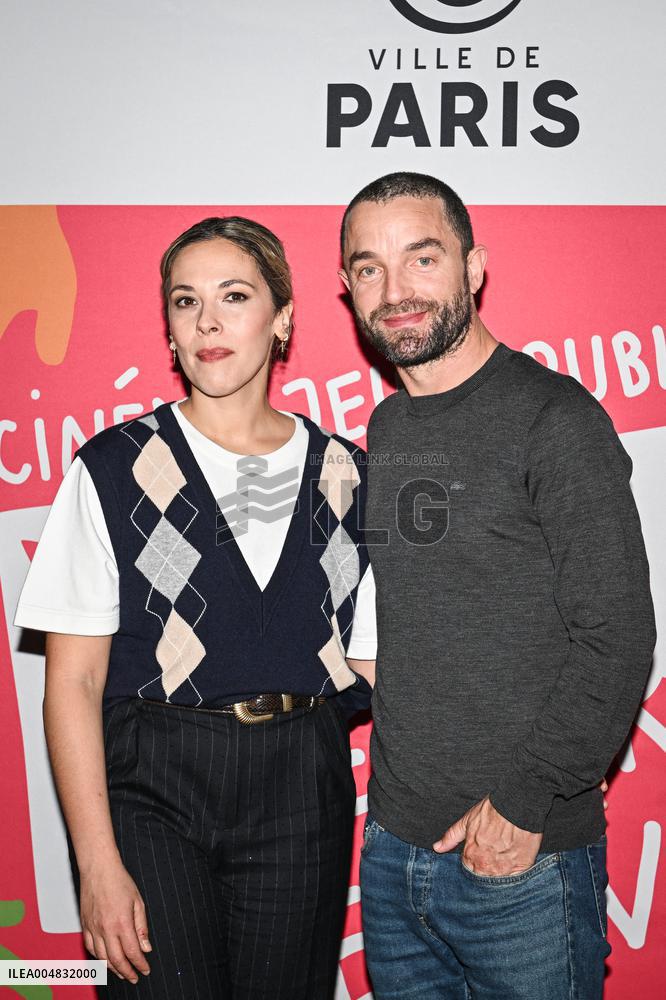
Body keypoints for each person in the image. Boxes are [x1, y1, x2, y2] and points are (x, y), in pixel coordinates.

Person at [13, 215, 377, 999]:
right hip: (154, 784)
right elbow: (72, 683)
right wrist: (96, 866)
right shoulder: (111, 469)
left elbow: (377, 660)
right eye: (186, 301)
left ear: (283, 319)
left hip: (302, 784)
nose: (208, 321)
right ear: (170, 329)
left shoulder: (350, 475)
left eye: (234, 296)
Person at [337, 171, 656, 999]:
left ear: (474, 268)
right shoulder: (388, 426)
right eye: (370, 268)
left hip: (523, 857)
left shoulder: (555, 420)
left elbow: (618, 636)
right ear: (347, 288)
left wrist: (522, 803)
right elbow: (416, 615)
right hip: (394, 853)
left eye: (423, 258)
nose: (396, 291)